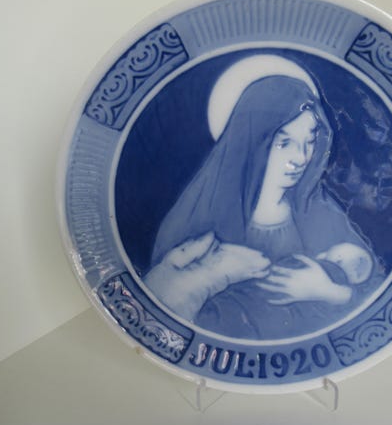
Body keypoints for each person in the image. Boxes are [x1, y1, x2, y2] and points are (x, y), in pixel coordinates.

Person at [143, 61, 378, 339]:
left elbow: (373, 289)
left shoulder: (319, 212)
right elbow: (161, 311)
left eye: (310, 141)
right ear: (252, 141)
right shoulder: (201, 215)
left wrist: (329, 292)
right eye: (284, 143)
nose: (301, 157)